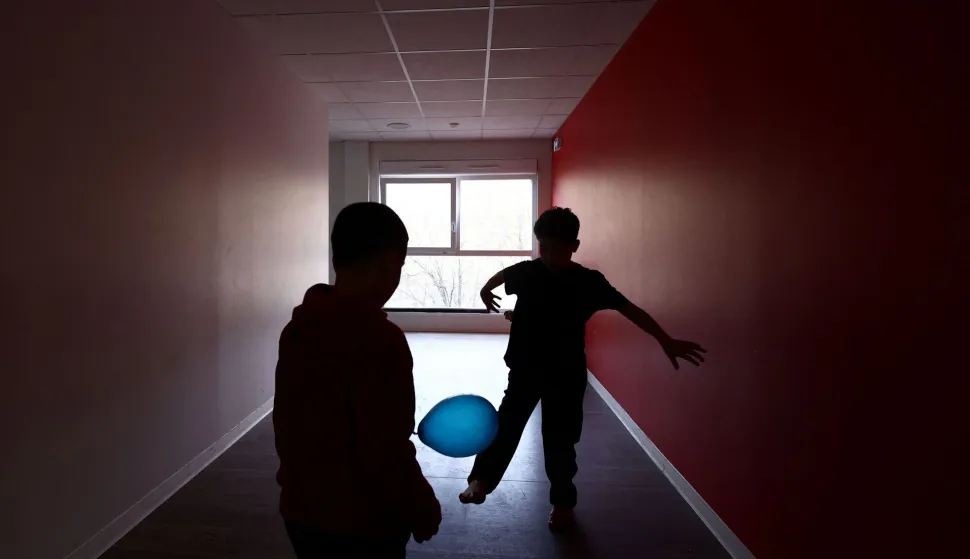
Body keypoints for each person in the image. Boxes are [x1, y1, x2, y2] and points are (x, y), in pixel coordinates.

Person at [459, 207, 706, 532]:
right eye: (543, 248)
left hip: (566, 376)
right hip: (525, 370)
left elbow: (631, 310)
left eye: (557, 250)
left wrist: (665, 340)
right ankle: (480, 481)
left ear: (574, 246)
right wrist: (484, 289)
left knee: (560, 442)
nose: (549, 256)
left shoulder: (589, 282)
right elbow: (504, 275)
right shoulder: (528, 272)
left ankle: (563, 504)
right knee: (505, 427)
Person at [273, 202, 441, 558]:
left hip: (300, 511)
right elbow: (383, 449)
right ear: (388, 263)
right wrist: (420, 505)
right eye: (399, 267)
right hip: (361, 522)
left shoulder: (297, 330)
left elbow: (289, 422)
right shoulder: (380, 341)